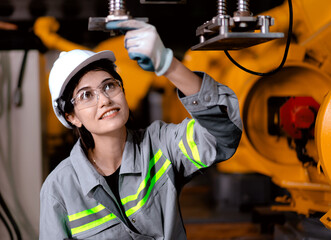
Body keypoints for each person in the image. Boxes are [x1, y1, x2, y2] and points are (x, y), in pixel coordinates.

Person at [39, 20, 242, 240]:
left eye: (109, 85)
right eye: (86, 95)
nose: (105, 100)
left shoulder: (161, 146)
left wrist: (169, 65)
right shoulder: (59, 189)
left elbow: (222, 134)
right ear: (71, 116)